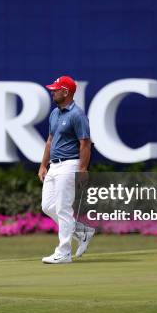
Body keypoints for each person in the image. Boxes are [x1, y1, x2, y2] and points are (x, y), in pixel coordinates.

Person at [38, 75, 96, 264]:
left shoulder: (77, 115)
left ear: (66, 92)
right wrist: (43, 165)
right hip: (54, 165)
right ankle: (82, 232)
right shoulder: (55, 114)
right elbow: (49, 141)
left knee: (63, 208)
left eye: (56, 89)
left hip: (70, 164)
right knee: (47, 206)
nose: (52, 92)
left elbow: (85, 143)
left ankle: (63, 253)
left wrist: (82, 169)